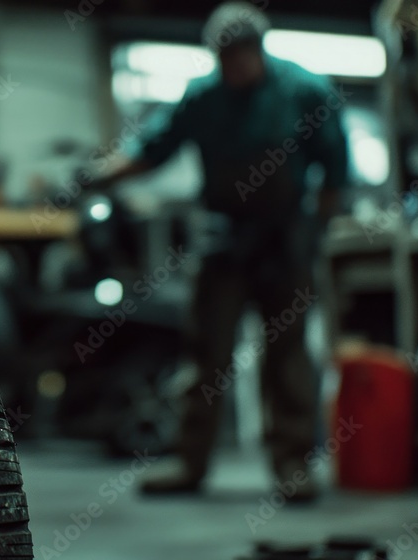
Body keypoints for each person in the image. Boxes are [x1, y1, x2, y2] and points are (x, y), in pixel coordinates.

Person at [90, 2, 349, 501]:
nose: (234, 66)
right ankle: (189, 462)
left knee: (288, 356)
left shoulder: (305, 92)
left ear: (259, 49)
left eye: (241, 55)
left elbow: (335, 175)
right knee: (205, 354)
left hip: (285, 241)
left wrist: (313, 233)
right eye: (224, 57)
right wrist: (97, 176)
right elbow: (151, 152)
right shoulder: (201, 98)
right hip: (224, 239)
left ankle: (293, 466)